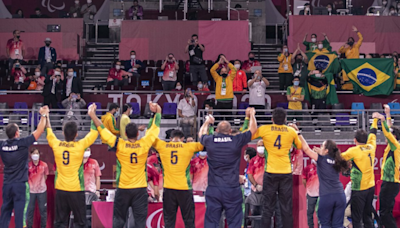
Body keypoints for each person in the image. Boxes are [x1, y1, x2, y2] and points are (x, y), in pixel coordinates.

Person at [90, 101, 161, 227]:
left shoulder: (119, 144)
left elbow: (103, 130)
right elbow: (154, 129)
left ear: (126, 134)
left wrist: (93, 115)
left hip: (123, 189)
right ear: (138, 134)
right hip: (140, 190)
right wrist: (158, 112)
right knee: (140, 223)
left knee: (119, 221)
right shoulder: (144, 144)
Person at [199, 108, 257, 228]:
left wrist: (207, 122)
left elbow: (201, 135)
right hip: (232, 189)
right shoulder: (235, 140)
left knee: (211, 222)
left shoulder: (210, 140)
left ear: (216, 130)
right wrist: (251, 115)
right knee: (235, 222)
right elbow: (253, 130)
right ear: (230, 131)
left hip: (214, 188)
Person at [46, 104, 99, 228]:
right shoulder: (80, 146)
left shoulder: (57, 145)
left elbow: (49, 132)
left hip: (61, 190)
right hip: (76, 191)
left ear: (63, 133)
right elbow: (94, 132)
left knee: (60, 223)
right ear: (76, 134)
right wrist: (92, 114)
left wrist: (46, 116)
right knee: (80, 223)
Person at [290, 123, 349, 228]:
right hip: (340, 196)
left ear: (326, 151)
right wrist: (320, 152)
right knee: (337, 225)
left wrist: (298, 132)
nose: (319, 147)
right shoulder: (337, 160)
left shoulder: (321, 159)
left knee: (325, 224)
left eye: (322, 146)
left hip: (327, 197)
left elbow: (306, 149)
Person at [252, 107, 302, 228]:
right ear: (285, 119)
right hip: (285, 173)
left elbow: (252, 134)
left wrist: (251, 116)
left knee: (267, 207)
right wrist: (297, 131)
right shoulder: (290, 131)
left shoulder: (265, 129)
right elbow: (299, 146)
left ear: (272, 119)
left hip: (270, 172)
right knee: (286, 207)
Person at [0, 106, 47, 228]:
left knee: (5, 212)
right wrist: (44, 115)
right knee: (20, 215)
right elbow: (40, 130)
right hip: (20, 185)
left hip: (7, 185)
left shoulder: (2, 145)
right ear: (16, 133)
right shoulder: (22, 143)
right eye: (18, 130)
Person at [151, 129, 204, 228]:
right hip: (184, 189)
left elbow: (150, 137)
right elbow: (205, 142)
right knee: (189, 220)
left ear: (170, 138)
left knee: (169, 221)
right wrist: (207, 125)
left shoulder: (163, 146)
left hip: (169, 189)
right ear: (183, 138)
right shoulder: (188, 146)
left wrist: (156, 116)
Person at [341, 121, 377, 228]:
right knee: (367, 216)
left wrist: (323, 153)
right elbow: (373, 133)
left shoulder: (354, 151)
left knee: (357, 218)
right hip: (371, 187)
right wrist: (375, 120)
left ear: (355, 140)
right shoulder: (371, 147)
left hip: (359, 189)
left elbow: (338, 158)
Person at [374, 108, 400, 228]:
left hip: (391, 183)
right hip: (389, 183)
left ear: (393, 137)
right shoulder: (392, 145)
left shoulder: (395, 146)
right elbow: (390, 130)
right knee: (385, 212)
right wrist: (388, 114)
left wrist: (382, 120)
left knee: (384, 213)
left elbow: (388, 133)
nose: (385, 137)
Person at [27, 148, 49, 228]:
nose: (35, 155)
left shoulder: (44, 165)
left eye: (37, 153)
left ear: (39, 155)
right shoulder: (28, 165)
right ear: (31, 155)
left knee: (43, 211)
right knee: (30, 211)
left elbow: (45, 176)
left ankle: (43, 226)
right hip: (31, 192)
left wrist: (40, 184)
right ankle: (29, 226)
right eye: (34, 153)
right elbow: (26, 177)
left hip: (42, 191)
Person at [302, 159, 319, 228]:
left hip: (320, 195)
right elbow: (303, 179)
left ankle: (320, 226)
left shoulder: (323, 168)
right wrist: (308, 188)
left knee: (321, 212)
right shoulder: (308, 168)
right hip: (310, 194)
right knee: (310, 212)